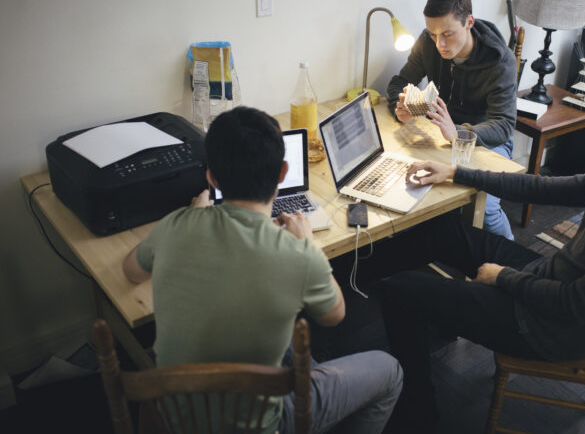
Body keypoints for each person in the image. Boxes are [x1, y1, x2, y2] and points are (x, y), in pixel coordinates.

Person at [377, 88, 585, 432]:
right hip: (544, 282)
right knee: (441, 231)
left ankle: (417, 414)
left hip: (548, 328)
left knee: (399, 291)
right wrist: (456, 172)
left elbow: (574, 306)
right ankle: (426, 312)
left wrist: (502, 277)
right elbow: (538, 187)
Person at [122, 106, 402, 434]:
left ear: (211, 178)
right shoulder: (297, 254)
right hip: (260, 425)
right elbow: (334, 315)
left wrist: (191, 216)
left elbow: (131, 270)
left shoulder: (175, 225)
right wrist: (309, 247)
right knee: (390, 370)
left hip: (177, 419)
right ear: (283, 173)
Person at [387, 0, 518, 240]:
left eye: (447, 34)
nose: (439, 44)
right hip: (439, 133)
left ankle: (517, 268)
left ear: (469, 22)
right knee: (402, 190)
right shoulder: (428, 42)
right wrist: (399, 108)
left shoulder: (500, 61)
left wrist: (457, 132)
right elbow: (399, 83)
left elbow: (503, 125)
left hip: (486, 141)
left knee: (487, 210)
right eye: (433, 34)